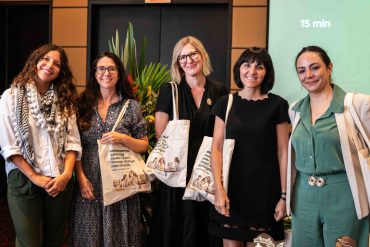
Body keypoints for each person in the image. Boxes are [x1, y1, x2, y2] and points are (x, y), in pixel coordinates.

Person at [146, 36, 228, 247]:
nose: (189, 60)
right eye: (183, 57)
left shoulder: (219, 91)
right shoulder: (169, 90)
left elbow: (224, 134)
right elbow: (161, 134)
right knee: (175, 232)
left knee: (205, 232)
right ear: (177, 62)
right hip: (177, 176)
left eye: (193, 54)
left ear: (202, 56)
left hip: (206, 172)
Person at [287, 46, 370, 246]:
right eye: (301, 70)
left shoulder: (358, 104)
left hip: (344, 196)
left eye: (314, 67)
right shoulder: (295, 109)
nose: (308, 75)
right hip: (303, 197)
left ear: (329, 68)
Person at [0, 44, 82, 246]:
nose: (49, 65)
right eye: (45, 59)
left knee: (54, 240)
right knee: (29, 242)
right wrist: (35, 177)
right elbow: (9, 145)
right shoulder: (11, 96)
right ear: (35, 61)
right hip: (24, 177)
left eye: (56, 63)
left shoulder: (65, 100)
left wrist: (65, 176)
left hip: (60, 179)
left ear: (60, 71)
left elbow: (73, 142)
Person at [210, 47, 289, 246]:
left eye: (259, 67)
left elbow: (283, 152)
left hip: (266, 196)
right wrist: (218, 190)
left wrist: (284, 196)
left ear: (267, 72)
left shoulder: (278, 105)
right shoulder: (225, 102)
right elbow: (216, 148)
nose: (252, 71)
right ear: (239, 69)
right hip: (231, 193)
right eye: (247, 65)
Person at [69, 51, 148, 247]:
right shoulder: (82, 104)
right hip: (89, 183)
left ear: (119, 73)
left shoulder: (131, 107)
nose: (106, 73)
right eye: (101, 68)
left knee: (119, 238)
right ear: (95, 74)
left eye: (112, 68)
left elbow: (144, 145)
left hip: (120, 186)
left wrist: (123, 138)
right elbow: (73, 145)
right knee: (88, 237)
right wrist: (80, 178)